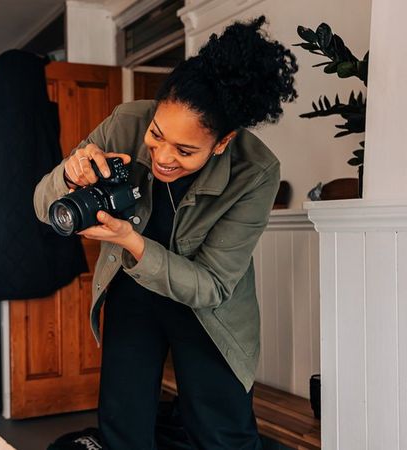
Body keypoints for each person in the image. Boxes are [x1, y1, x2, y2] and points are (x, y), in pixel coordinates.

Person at [33, 16, 298, 449]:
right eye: (158, 135)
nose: (163, 157)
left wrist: (130, 241)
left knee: (222, 433)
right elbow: (43, 205)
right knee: (123, 428)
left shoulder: (256, 170)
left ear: (223, 142)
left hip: (210, 311)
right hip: (133, 290)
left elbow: (212, 285)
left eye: (186, 150)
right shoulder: (127, 122)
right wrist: (69, 172)